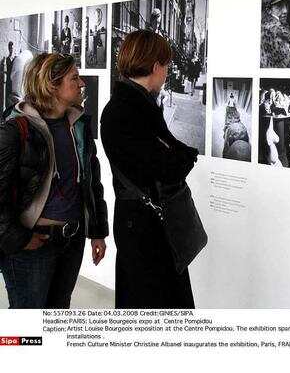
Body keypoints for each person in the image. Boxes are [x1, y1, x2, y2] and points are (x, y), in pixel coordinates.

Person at [0, 53, 108, 308]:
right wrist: (19, 239)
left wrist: (97, 231)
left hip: (71, 242)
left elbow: (91, 181)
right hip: (32, 246)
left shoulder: (78, 125)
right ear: (51, 85)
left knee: (58, 315)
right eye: (74, 78)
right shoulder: (16, 128)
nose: (82, 83)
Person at [100, 29, 199, 308]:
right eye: (166, 66)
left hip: (142, 220)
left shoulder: (131, 105)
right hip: (145, 225)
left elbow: (167, 154)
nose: (167, 72)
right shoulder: (129, 110)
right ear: (155, 67)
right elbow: (167, 166)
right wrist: (184, 156)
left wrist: (179, 155)